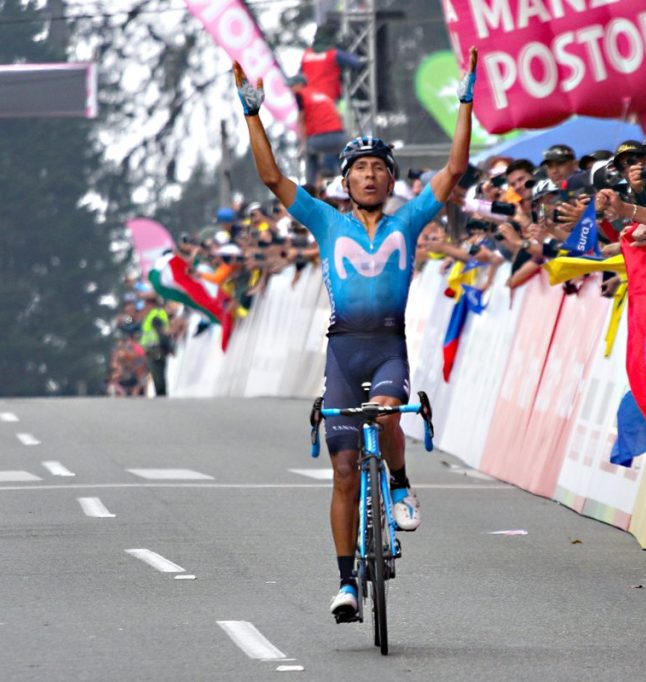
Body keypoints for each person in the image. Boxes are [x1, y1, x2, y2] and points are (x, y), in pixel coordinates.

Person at [234, 46, 477, 621]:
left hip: (388, 345)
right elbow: (271, 176)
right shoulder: (325, 219)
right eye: (360, 170)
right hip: (343, 351)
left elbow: (455, 169)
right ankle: (346, 583)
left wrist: (465, 101)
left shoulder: (409, 220)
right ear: (345, 182)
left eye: (379, 168)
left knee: (389, 411)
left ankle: (397, 481)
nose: (370, 176)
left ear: (391, 179)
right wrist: (252, 114)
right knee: (342, 471)